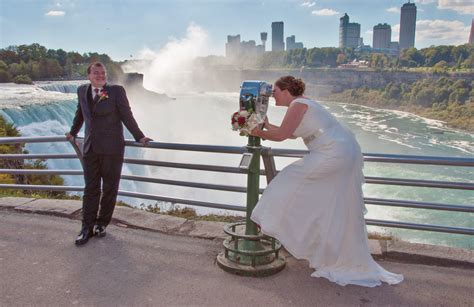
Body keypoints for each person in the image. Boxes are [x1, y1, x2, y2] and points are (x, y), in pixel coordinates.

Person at [250, 76, 403, 287]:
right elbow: (293, 134)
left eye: (274, 91)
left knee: (286, 180)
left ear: (286, 91)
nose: (271, 95)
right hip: (339, 150)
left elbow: (283, 135)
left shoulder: (297, 104)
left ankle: (269, 222)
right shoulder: (305, 103)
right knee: (327, 201)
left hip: (332, 152)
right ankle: (321, 247)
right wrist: (266, 126)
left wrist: (255, 131)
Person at [66, 62, 152, 246]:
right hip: (90, 148)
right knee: (91, 189)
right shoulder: (82, 91)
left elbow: (127, 115)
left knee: (110, 188)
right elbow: (80, 114)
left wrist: (140, 136)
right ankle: (85, 228)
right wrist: (73, 132)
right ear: (88, 75)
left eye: (103, 73)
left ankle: (101, 224)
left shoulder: (116, 91)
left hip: (112, 148)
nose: (100, 75)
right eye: (96, 73)